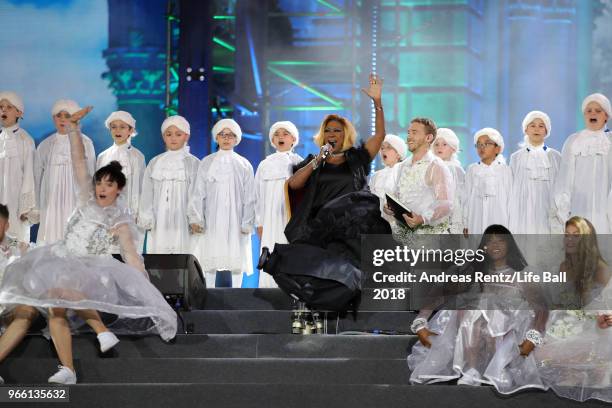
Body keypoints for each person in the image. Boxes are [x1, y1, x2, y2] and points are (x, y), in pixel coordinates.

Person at [0, 106, 177, 384]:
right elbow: (79, 160)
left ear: (119, 189)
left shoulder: (121, 218)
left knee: (59, 294)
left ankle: (101, 331)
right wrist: (73, 129)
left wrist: (145, 290)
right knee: (54, 307)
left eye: (109, 184)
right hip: (61, 258)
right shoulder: (86, 199)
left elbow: (131, 257)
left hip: (92, 268)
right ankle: (69, 368)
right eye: (100, 183)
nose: (102, 188)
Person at [258, 74, 391, 301]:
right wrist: (317, 161)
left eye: (337, 130)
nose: (332, 134)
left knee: (350, 280)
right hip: (321, 228)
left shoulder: (356, 158)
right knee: (324, 282)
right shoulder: (313, 160)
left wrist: (377, 103)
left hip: (351, 228)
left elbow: (379, 136)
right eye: (328, 130)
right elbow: (294, 184)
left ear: (345, 134)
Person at [407, 225, 547, 394]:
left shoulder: (523, 276)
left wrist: (534, 336)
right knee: (471, 308)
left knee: (493, 310)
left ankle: (499, 367)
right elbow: (441, 292)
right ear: (484, 247)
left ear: (509, 244)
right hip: (475, 330)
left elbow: (541, 308)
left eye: (500, 240)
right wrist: (421, 320)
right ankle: (471, 369)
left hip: (509, 330)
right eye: (490, 241)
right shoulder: (473, 272)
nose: (495, 245)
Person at [534, 216, 612, 402]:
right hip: (566, 320)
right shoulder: (563, 266)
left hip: (593, 322)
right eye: (567, 235)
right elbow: (560, 301)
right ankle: (577, 372)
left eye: (576, 236)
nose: (569, 240)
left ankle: (590, 371)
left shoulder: (601, 268)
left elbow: (605, 304)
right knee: (538, 352)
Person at [188, 119, 255, 288]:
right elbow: (198, 192)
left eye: (230, 135)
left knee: (236, 251)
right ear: (216, 138)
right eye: (222, 135)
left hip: (236, 216)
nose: (226, 138)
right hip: (213, 215)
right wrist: (196, 218)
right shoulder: (207, 162)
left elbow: (250, 196)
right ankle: (208, 291)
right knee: (210, 252)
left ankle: (238, 292)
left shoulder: (244, 164)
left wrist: (247, 221)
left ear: (236, 139)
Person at [35, 99, 96, 245]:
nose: (63, 119)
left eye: (67, 116)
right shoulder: (46, 145)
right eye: (59, 115)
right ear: (53, 118)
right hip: (52, 198)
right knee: (52, 231)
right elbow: (38, 176)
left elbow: (91, 173)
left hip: (74, 196)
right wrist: (36, 204)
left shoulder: (85, 142)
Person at [383, 118, 454, 241]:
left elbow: (445, 205)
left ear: (428, 138)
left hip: (427, 242)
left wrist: (421, 219)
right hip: (402, 239)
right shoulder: (402, 166)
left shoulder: (436, 166)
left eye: (414, 132)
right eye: (409, 132)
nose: (409, 137)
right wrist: (389, 207)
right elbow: (396, 196)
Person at [139, 115, 199, 256]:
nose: (173, 138)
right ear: (163, 136)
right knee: (160, 254)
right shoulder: (155, 162)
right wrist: (146, 216)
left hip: (183, 218)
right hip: (160, 217)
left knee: (183, 253)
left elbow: (197, 193)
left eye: (178, 134)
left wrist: (195, 218)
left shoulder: (194, 163)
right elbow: (147, 192)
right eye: (169, 134)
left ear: (186, 136)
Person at [554, 93, 612, 233]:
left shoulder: (610, 141)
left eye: (598, 111)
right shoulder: (573, 141)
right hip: (578, 209)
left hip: (605, 210)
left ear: (606, 116)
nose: (593, 113)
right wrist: (563, 209)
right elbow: (564, 178)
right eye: (588, 111)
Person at [254, 121, 302, 288]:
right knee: (271, 248)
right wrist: (259, 222)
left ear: (293, 139)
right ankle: (268, 288)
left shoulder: (300, 163)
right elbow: (257, 195)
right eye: (277, 134)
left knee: (290, 249)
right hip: (270, 218)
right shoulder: (265, 164)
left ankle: (292, 288)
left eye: (285, 133)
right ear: (272, 140)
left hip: (291, 218)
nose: (280, 137)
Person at [509, 111, 561, 234]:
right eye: (532, 125)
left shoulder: (555, 156)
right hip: (522, 211)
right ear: (526, 130)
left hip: (547, 209)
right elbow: (511, 187)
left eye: (541, 126)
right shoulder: (516, 157)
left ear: (546, 131)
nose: (536, 129)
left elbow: (561, 187)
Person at [0, 91, 36, 242]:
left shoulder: (25, 140)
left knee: (16, 241)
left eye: (9, 107)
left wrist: (26, 207)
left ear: (19, 112)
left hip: (16, 200)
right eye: (1, 106)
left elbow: (30, 174)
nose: (3, 110)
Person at [96, 110, 145, 219]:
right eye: (114, 127)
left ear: (130, 130)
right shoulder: (103, 156)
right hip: (106, 212)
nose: (117, 131)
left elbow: (140, 186)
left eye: (122, 127)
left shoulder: (137, 156)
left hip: (129, 211)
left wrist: (136, 213)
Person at [463, 128, 512, 234]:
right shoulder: (472, 169)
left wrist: (510, 224)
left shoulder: (505, 170)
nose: (482, 147)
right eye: (479, 144)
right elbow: (466, 196)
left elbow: (510, 198)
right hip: (476, 217)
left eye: (487, 144)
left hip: (499, 217)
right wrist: (466, 223)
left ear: (497, 149)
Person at [431, 128, 465, 234]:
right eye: (436, 144)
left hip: (451, 214)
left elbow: (461, 196)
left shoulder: (456, 169)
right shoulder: (431, 167)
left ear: (453, 148)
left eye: (444, 144)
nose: (439, 147)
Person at [368, 134, 406, 210]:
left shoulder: (405, 173)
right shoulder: (376, 175)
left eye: (388, 147)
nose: (383, 150)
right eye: (382, 148)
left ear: (398, 154)